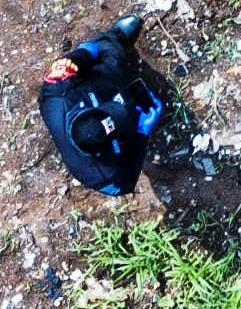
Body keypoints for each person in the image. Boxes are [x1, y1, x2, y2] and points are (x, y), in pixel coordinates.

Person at [38, 15, 161, 196]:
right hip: (119, 138)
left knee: (110, 56)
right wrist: (142, 134)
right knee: (132, 113)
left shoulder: (58, 91)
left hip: (88, 86)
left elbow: (70, 62)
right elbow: (128, 182)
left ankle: (114, 36)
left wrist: (89, 52)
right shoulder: (99, 175)